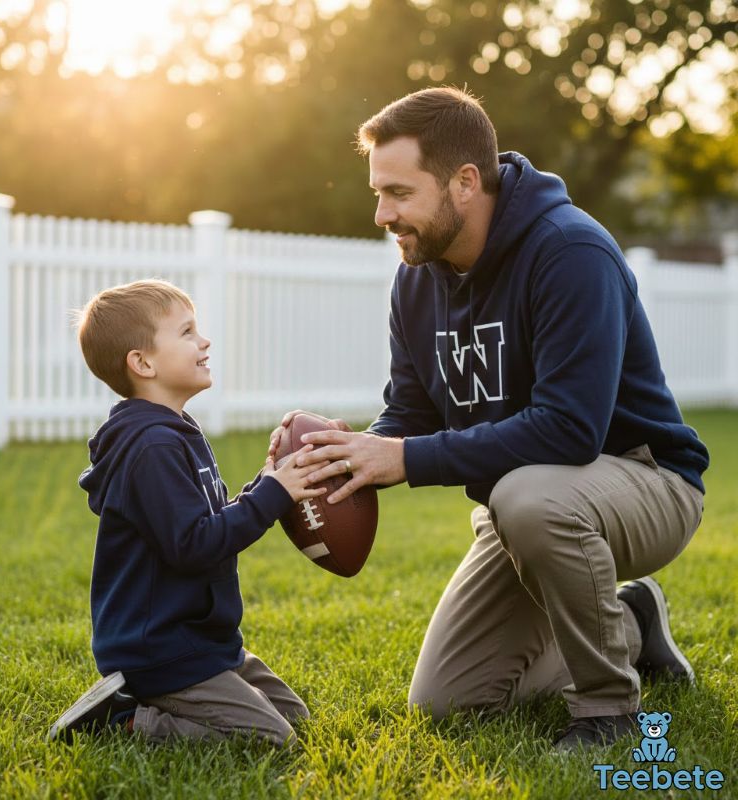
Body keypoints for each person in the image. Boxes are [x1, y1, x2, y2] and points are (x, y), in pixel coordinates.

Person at [269, 87, 708, 751]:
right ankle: (626, 617)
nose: (383, 214)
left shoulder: (571, 253)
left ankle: (607, 712)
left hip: (646, 483)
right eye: (377, 193)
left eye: (399, 192)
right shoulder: (415, 280)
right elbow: (410, 413)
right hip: (526, 507)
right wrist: (346, 451)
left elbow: (569, 431)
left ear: (465, 182)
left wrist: (407, 460)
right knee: (450, 700)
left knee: (527, 497)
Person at [48, 279, 327, 746]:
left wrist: (269, 478)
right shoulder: (151, 447)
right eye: (187, 332)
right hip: (162, 649)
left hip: (205, 642)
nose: (205, 341)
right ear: (143, 362)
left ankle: (161, 703)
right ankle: (130, 720)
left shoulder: (176, 430)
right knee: (273, 740)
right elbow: (194, 545)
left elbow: (211, 520)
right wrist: (274, 494)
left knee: (294, 719)